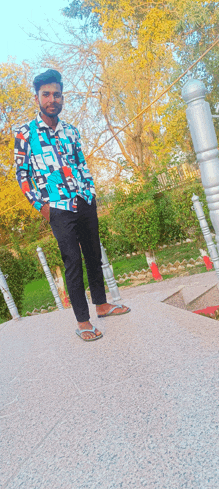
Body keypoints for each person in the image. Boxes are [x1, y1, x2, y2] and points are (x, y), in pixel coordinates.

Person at [14, 69, 130, 341]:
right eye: (46, 95)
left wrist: (90, 191)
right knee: (72, 261)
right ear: (37, 98)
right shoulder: (24, 134)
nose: (52, 99)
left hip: (84, 200)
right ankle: (82, 321)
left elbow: (81, 165)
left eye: (56, 94)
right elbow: (22, 174)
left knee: (93, 254)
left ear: (62, 97)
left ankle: (102, 305)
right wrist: (40, 206)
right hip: (56, 205)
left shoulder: (71, 131)